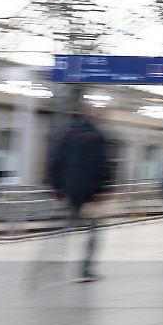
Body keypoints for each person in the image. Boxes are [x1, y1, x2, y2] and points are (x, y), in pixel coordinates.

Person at [48, 97, 113, 282]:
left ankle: (54, 260)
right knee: (93, 231)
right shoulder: (97, 136)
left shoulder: (68, 135)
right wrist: (102, 189)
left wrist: (57, 187)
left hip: (70, 189)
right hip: (91, 193)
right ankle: (86, 270)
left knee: (68, 227)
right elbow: (101, 164)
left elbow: (56, 162)